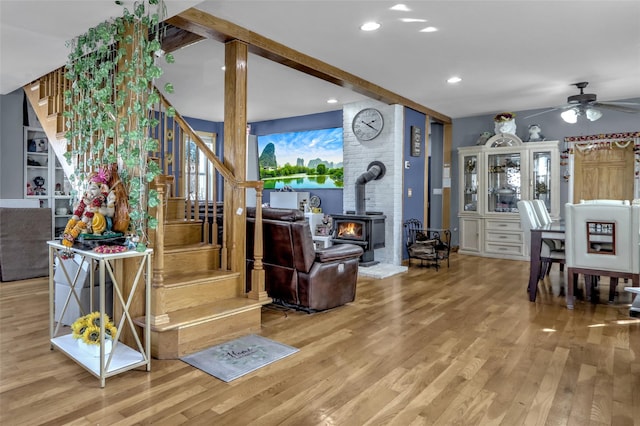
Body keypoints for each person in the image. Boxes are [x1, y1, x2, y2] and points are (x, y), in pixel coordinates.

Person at [62, 168, 115, 248]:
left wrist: (98, 209)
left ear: (102, 189)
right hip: (86, 222)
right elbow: (79, 211)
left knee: (97, 215)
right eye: (88, 188)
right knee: (79, 213)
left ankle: (92, 231)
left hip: (97, 225)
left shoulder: (103, 199)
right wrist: (86, 204)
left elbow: (110, 213)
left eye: (93, 189)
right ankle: (77, 230)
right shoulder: (87, 198)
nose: (89, 192)